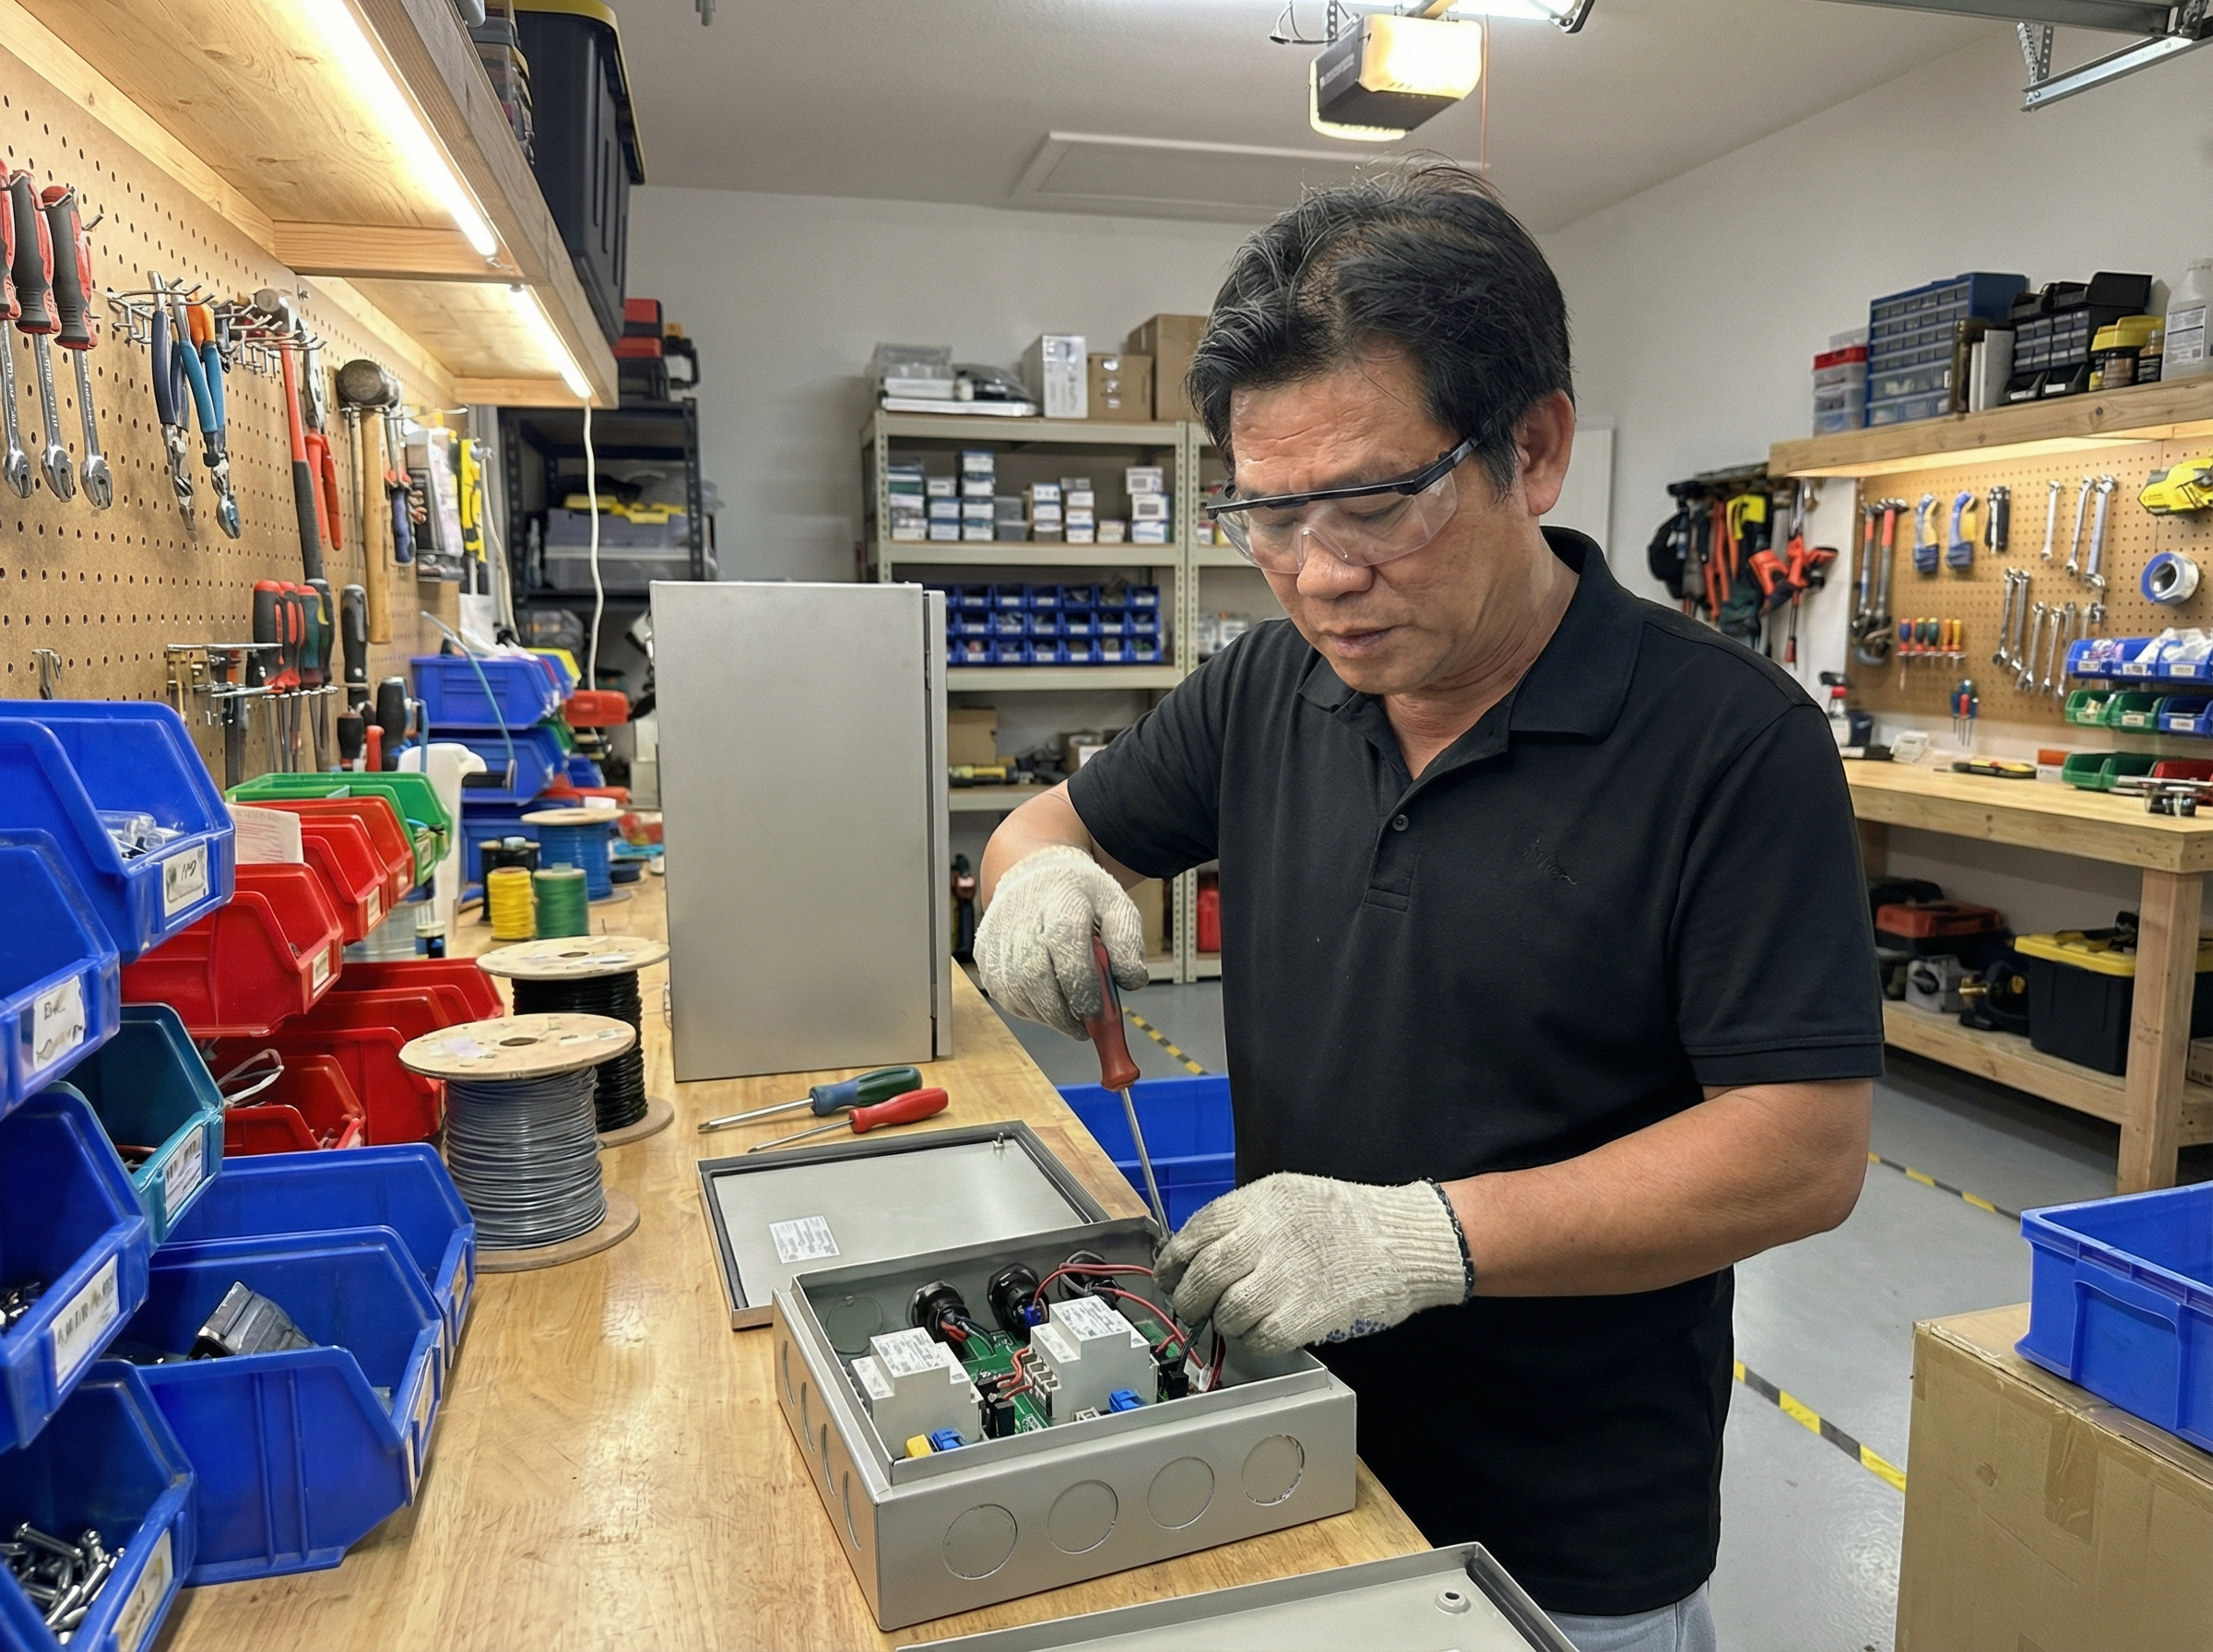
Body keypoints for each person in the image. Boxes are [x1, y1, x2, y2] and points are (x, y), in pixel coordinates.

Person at [972, 163, 1882, 1652]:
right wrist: (1038, 877)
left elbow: (1801, 1154)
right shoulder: (1268, 687)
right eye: (1268, 517)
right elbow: (1045, 825)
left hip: (1567, 1525)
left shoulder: (1729, 740)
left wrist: (1424, 1241)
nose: (1321, 577)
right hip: (1291, 1444)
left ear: (1534, 450)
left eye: (1378, 502)